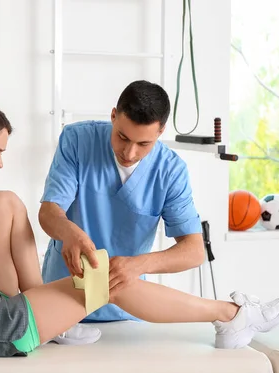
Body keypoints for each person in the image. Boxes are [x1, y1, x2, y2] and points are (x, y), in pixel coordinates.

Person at [0, 95, 279, 373]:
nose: (0, 162)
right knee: (107, 279)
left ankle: (227, 314)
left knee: (8, 203)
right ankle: (233, 314)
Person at [40, 80, 209, 322]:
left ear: (160, 132)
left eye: (143, 144)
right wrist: (67, 231)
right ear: (113, 115)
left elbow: (194, 252)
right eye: (122, 137)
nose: (129, 153)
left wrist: (140, 265)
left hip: (124, 309)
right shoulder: (77, 140)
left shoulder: (171, 171)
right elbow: (48, 212)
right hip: (62, 300)